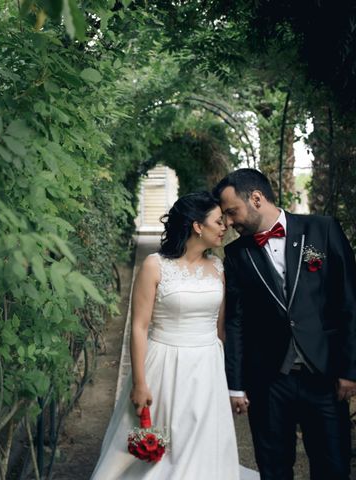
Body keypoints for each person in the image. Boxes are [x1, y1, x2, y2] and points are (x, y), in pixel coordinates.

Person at [214, 168, 356, 480]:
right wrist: (235, 384)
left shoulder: (322, 229)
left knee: (333, 465)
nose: (229, 222)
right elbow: (236, 322)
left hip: (325, 375)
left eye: (231, 212)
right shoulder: (236, 253)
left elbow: (349, 301)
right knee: (274, 468)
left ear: (256, 198)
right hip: (268, 380)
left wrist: (350, 369)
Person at [90, 191, 240, 479]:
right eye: (219, 221)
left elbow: (219, 328)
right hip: (164, 365)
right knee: (161, 450)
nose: (225, 227)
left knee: (202, 449)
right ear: (198, 225)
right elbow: (139, 327)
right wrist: (140, 382)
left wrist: (228, 379)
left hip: (207, 367)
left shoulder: (219, 267)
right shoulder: (154, 265)